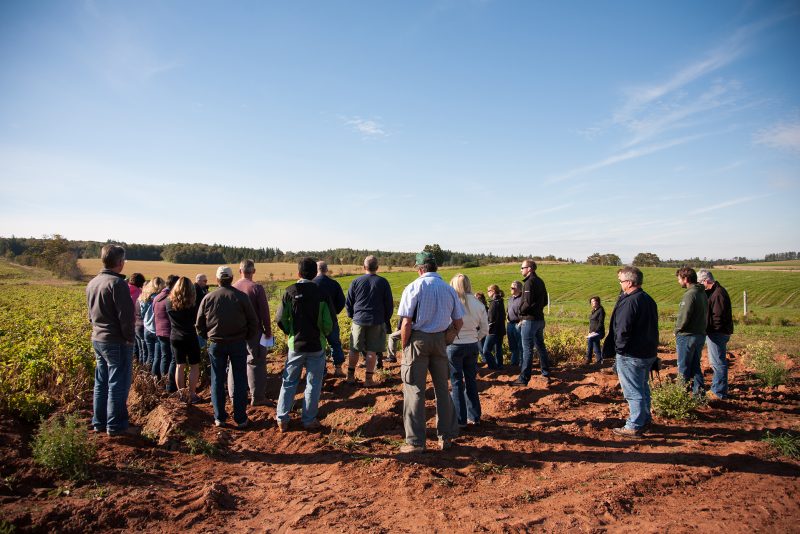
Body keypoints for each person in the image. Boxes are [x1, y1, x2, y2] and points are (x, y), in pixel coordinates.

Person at [396, 252, 464, 453]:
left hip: (418, 339)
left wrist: (404, 346)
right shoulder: (448, 289)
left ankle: (416, 442)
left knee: (414, 389)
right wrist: (447, 338)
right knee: (442, 389)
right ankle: (446, 437)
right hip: (440, 340)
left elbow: (406, 322)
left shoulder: (414, 287)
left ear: (420, 269)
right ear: (435, 268)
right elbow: (459, 321)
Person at [196, 266, 259, 429]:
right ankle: (240, 418)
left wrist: (208, 337)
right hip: (238, 343)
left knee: (217, 379)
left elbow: (199, 324)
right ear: (231, 279)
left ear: (217, 279)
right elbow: (253, 321)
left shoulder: (208, 297)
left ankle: (219, 417)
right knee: (239, 379)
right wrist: (246, 337)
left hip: (216, 344)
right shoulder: (241, 297)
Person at [275, 257, 334, 432]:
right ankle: (308, 420)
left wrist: (290, 332)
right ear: (315, 273)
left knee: (289, 381)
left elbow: (280, 318)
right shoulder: (322, 293)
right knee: (313, 383)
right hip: (316, 345)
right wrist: (324, 334)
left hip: (296, 345)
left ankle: (282, 418)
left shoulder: (289, 291)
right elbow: (328, 322)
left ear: (298, 273)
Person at [602, 266, 659, 438]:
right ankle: (645, 419)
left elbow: (623, 329)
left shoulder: (630, 302)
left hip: (631, 354)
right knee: (642, 388)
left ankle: (635, 424)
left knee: (633, 391)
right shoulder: (648, 299)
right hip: (647, 352)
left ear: (629, 282)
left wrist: (620, 350)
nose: (619, 285)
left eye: (620, 281)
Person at [86, 244, 135, 436]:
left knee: (101, 381)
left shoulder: (92, 283)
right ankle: (116, 426)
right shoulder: (117, 284)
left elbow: (90, 315)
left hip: (98, 338)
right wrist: (129, 339)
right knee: (118, 383)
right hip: (116, 340)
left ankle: (99, 422)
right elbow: (126, 317)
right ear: (120, 262)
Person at [345, 255, 393, 387]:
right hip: (376, 320)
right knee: (372, 351)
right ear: (377, 267)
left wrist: (352, 316)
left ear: (364, 267)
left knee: (354, 349)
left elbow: (349, 303)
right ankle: (368, 380)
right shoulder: (383, 282)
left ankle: (350, 376)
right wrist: (385, 319)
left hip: (359, 320)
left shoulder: (356, 282)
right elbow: (389, 304)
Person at [229, 259, 272, 406]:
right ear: (253, 271)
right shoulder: (256, 288)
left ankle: (234, 397)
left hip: (234, 332)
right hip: (253, 332)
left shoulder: (232, 287)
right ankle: (258, 397)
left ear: (240, 271)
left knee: (234, 363)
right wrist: (268, 331)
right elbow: (264, 313)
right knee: (255, 362)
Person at [448, 274, 488, 427]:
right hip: (472, 345)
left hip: (455, 346)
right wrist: (475, 338)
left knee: (456, 382)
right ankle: (475, 416)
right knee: (471, 380)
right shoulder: (478, 303)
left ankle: (460, 420)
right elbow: (485, 328)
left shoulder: (452, 303)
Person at [513, 260, 551, 386]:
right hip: (540, 319)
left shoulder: (529, 283)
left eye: (522, 267)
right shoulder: (540, 281)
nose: (521, 270)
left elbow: (527, 303)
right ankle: (545, 372)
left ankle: (524, 379)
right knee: (540, 346)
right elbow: (545, 301)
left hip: (529, 321)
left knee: (527, 349)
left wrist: (520, 313)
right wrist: (538, 309)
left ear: (529, 269)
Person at [698, 269, 734, 400]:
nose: (700, 286)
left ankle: (719, 392)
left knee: (717, 362)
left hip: (717, 333)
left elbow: (717, 317)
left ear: (706, 281)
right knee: (717, 361)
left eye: (700, 283)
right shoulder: (715, 292)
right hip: (717, 332)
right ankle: (718, 389)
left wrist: (710, 330)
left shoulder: (718, 294)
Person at [166, 277, 202, 403]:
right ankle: (192, 394)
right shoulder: (193, 303)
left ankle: (181, 394)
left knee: (179, 365)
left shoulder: (169, 302)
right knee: (194, 366)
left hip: (175, 336)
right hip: (190, 336)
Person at [675, 267, 709, 396]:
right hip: (700, 334)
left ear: (686, 279)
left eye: (679, 279)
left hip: (687, 335)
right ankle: (699, 395)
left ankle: (680, 396)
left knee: (683, 367)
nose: (678, 282)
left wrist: (677, 330)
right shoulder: (702, 293)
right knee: (695, 366)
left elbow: (684, 316)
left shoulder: (690, 294)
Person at [313, 261, 347, 376]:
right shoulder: (334, 284)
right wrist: (334, 312)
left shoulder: (311, 284)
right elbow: (342, 302)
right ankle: (338, 369)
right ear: (326, 270)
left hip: (315, 322)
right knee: (335, 344)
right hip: (332, 320)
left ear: (316, 270)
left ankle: (322, 371)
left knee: (319, 345)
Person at [154, 275, 179, 393]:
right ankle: (170, 386)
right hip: (170, 331)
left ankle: (162, 384)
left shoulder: (157, 297)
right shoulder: (171, 298)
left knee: (165, 357)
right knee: (174, 359)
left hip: (159, 330)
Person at [139, 277, 165, 376]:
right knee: (158, 357)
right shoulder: (161, 297)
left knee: (150, 355)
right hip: (157, 329)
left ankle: (146, 376)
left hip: (147, 328)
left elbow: (142, 313)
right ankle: (156, 379)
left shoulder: (144, 297)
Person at [483, 285, 506, 369]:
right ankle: (500, 365)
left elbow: (491, 319)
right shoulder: (500, 300)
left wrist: (487, 329)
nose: (487, 292)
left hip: (493, 331)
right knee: (498, 349)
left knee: (486, 350)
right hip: (500, 329)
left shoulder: (493, 303)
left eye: (488, 291)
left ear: (493, 291)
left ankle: (493, 366)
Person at [128, 273, 146, 365]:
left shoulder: (124, 290)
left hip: (127, 323)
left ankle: (134, 363)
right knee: (141, 348)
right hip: (137, 322)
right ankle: (141, 366)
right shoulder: (138, 293)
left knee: (133, 346)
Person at [585, 296, 605, 367]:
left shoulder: (601, 310)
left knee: (590, 340)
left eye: (594, 301)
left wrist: (595, 332)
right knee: (595, 344)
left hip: (599, 332)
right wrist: (590, 332)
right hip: (593, 332)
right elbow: (592, 323)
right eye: (591, 302)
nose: (592, 303)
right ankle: (599, 360)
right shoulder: (593, 311)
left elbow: (601, 323)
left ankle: (588, 358)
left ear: (598, 302)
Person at [506, 281, 523, 366]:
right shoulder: (510, 298)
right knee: (512, 345)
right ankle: (514, 362)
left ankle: (521, 362)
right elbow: (507, 310)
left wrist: (521, 322)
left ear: (518, 289)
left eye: (513, 288)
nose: (511, 289)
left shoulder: (522, 298)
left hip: (518, 324)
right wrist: (507, 319)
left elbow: (524, 312)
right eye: (511, 287)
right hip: (510, 324)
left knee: (520, 344)